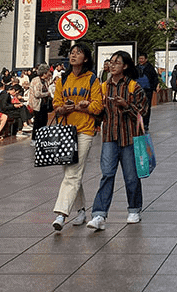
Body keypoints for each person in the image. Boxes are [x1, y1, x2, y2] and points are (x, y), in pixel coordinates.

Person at [86, 51, 146, 229]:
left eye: (117, 63)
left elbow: (143, 113)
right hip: (109, 137)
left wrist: (126, 105)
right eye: (111, 62)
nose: (112, 66)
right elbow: (100, 111)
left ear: (125, 66)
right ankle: (99, 215)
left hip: (129, 138)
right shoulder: (103, 87)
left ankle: (134, 209)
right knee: (107, 175)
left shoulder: (133, 87)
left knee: (131, 177)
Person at [51, 42, 104, 232]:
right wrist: (61, 108)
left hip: (84, 131)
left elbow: (98, 106)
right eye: (72, 53)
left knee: (73, 173)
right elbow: (56, 104)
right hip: (66, 132)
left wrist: (86, 105)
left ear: (86, 58)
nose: (74, 56)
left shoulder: (92, 80)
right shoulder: (62, 80)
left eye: (78, 53)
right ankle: (81, 210)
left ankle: (61, 214)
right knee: (71, 173)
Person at [134, 53, 159, 130]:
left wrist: (156, 86)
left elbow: (155, 78)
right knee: (137, 106)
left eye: (142, 59)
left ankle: (145, 123)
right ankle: (137, 122)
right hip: (137, 91)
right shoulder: (136, 68)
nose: (141, 60)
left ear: (146, 59)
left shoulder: (150, 68)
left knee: (147, 107)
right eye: (140, 59)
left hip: (147, 90)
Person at [28, 63, 53, 135]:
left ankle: (42, 137)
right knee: (38, 123)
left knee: (44, 121)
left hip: (44, 105)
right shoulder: (36, 80)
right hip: (37, 105)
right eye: (48, 71)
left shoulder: (44, 81)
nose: (49, 73)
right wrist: (47, 94)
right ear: (44, 73)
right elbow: (37, 94)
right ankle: (35, 138)